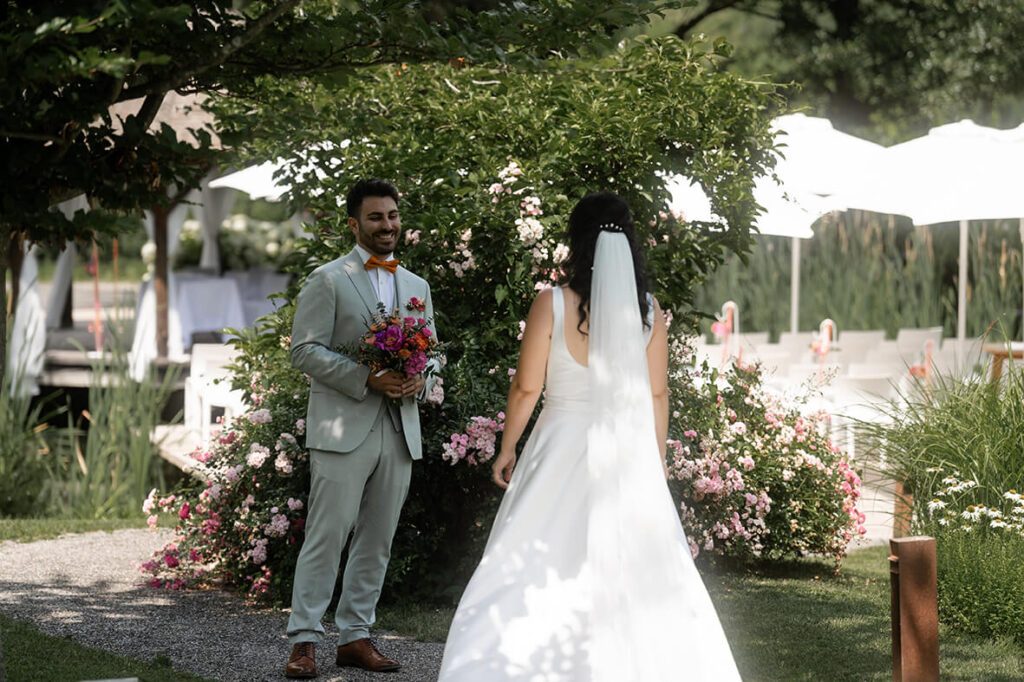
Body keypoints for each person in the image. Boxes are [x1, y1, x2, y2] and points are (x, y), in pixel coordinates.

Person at [438, 191, 741, 681]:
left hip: (559, 441)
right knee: (640, 561)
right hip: (628, 451)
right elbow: (658, 394)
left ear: (577, 242)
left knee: (534, 555)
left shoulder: (551, 303)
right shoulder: (648, 312)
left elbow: (526, 387)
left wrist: (508, 447)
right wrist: (657, 456)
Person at [285, 178, 438, 679]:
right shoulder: (328, 279)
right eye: (376, 217)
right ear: (355, 224)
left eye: (393, 215)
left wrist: (422, 378)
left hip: (399, 429)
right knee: (327, 535)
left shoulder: (418, 287)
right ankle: (304, 639)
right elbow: (304, 350)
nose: (387, 225)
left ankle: (355, 637)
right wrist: (364, 377)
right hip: (343, 425)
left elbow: (433, 356)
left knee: (378, 538)